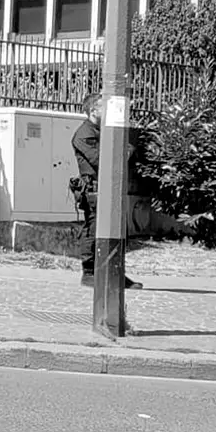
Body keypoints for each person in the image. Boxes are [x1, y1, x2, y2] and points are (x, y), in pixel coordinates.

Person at [70, 94, 143, 289]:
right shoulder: (84, 134)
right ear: (93, 111)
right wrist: (123, 152)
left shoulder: (105, 131)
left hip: (109, 187)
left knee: (117, 230)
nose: (110, 112)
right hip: (94, 188)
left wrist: (123, 151)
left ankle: (114, 272)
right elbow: (101, 160)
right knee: (94, 230)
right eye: (105, 107)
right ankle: (90, 273)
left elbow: (125, 152)